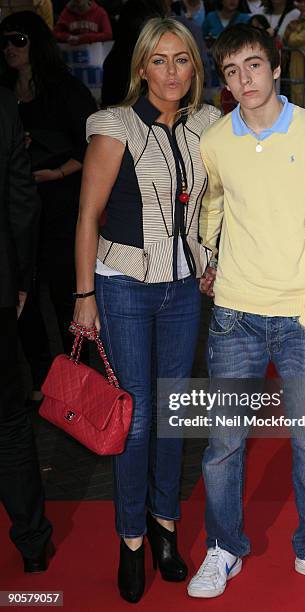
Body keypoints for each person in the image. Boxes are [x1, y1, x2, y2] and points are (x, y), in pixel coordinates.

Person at [187, 23, 305, 598]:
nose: (243, 80)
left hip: (299, 320)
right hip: (235, 315)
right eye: (230, 72)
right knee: (223, 444)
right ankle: (224, 547)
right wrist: (208, 252)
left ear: (274, 66)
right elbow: (211, 199)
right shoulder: (216, 140)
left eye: (252, 66)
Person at [73, 16, 221, 604]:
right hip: (124, 288)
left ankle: (166, 528)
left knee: (171, 413)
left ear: (194, 66)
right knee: (133, 420)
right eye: (158, 60)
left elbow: (215, 201)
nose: (171, 72)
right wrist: (85, 296)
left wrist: (210, 255)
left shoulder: (207, 126)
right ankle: (131, 538)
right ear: (140, 67)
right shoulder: (114, 128)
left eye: (181, 59)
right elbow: (87, 217)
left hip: (183, 289)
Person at [0, 11, 97, 401]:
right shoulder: (5, 93)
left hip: (60, 203)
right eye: (4, 41)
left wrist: (56, 172)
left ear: (35, 43)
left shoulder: (63, 89)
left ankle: (80, 381)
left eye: (18, 40)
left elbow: (92, 143)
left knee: (64, 294)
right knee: (24, 292)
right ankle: (43, 380)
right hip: (19, 207)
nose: (9, 48)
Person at [0, 87, 54, 574]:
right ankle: (33, 544)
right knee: (8, 420)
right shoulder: (2, 103)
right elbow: (22, 200)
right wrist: (19, 281)